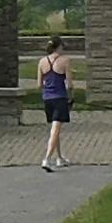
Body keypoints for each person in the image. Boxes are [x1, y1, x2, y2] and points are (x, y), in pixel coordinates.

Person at [38, 37, 72, 171]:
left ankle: (60, 158)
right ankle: (47, 159)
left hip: (47, 98)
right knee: (55, 130)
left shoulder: (42, 61)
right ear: (60, 47)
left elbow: (39, 84)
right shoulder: (65, 61)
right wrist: (71, 96)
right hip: (60, 98)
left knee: (55, 128)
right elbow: (69, 84)